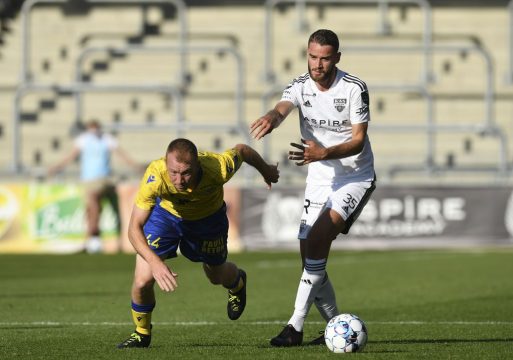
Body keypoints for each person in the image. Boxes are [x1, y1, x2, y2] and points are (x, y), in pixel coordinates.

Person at [250, 29, 376, 347]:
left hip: (355, 177)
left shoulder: (353, 89)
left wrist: (323, 152)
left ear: (336, 58)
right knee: (309, 255)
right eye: (312, 56)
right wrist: (271, 117)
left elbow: (358, 141)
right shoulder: (299, 86)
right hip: (318, 177)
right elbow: (282, 108)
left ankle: (295, 326)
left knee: (319, 238)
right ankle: (335, 325)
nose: (317, 64)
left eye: (324, 58)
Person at [116, 138, 280, 349]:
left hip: (208, 220)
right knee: (142, 281)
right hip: (165, 217)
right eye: (174, 172)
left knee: (216, 276)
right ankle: (142, 333)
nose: (179, 179)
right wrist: (155, 263)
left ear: (198, 165)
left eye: (186, 173)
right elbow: (133, 228)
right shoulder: (155, 175)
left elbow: (243, 150)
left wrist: (265, 170)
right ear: (166, 163)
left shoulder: (218, 167)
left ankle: (238, 282)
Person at [48, 120, 141, 253]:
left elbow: (122, 155)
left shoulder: (107, 139)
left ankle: (96, 239)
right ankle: (91, 241)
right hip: (88, 180)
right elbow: (70, 156)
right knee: (90, 210)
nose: (94, 131)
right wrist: (57, 167)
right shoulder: (83, 140)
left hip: (103, 179)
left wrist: (136, 167)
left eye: (96, 128)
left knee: (94, 201)